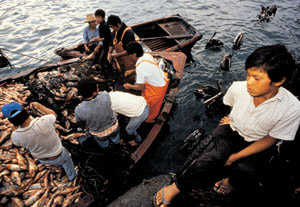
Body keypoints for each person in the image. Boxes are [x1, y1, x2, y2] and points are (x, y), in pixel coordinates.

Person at [153, 44, 300, 207]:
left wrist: (236, 157)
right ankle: (176, 186)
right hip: (232, 130)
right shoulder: (238, 88)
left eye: (256, 78)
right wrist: (231, 117)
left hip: (259, 141)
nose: (249, 82)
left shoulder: (292, 108)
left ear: (279, 80)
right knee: (202, 158)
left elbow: (271, 139)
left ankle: (229, 181)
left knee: (248, 170)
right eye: (248, 75)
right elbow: (232, 105)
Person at [1, 102, 77, 180]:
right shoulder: (44, 121)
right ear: (25, 112)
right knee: (67, 161)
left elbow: (16, 139)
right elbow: (53, 114)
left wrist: (15, 125)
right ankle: (72, 176)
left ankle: (58, 166)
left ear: (12, 121)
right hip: (59, 156)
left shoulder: (15, 136)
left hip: (42, 160)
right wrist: (40, 106)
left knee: (56, 162)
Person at [123, 42, 169, 123]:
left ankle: (150, 121)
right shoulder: (146, 55)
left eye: (129, 54)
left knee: (149, 111)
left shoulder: (140, 67)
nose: (129, 57)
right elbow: (146, 68)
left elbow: (141, 87)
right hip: (163, 79)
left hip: (157, 91)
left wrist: (129, 86)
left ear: (133, 54)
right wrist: (132, 71)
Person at [75, 76, 120, 149]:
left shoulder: (78, 109)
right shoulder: (105, 95)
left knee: (103, 143)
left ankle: (106, 147)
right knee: (115, 137)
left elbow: (80, 123)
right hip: (114, 127)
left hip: (99, 134)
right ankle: (117, 143)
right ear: (94, 91)